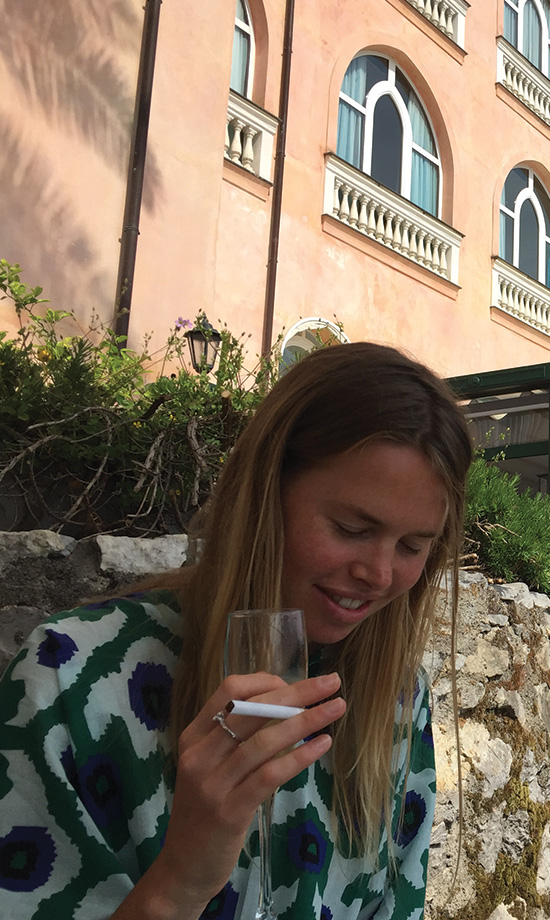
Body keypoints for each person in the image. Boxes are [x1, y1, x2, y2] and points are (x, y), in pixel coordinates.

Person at [0, 342, 473, 919]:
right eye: (351, 528)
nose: (377, 574)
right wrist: (179, 882)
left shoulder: (397, 697)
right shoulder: (70, 677)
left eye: (412, 546)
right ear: (265, 491)